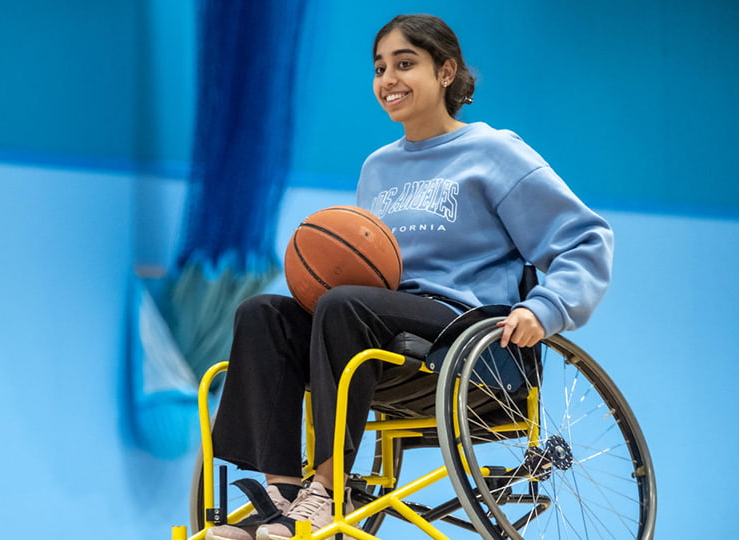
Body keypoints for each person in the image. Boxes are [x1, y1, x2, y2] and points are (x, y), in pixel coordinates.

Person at [206, 13, 613, 540]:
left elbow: (586, 238)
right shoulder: (377, 168)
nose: (388, 80)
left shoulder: (495, 152)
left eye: (405, 64)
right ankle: (282, 496)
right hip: (382, 331)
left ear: (446, 73)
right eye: (379, 68)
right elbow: (369, 269)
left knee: (345, 305)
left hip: (468, 334)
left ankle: (328, 489)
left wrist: (546, 309)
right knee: (263, 313)